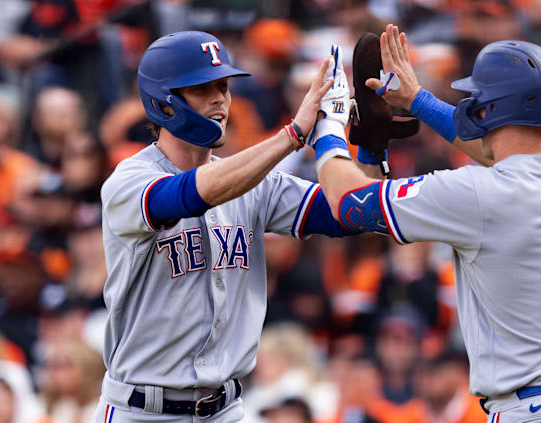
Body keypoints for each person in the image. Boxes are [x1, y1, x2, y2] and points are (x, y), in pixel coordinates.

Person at [311, 25, 541, 421]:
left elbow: (348, 201)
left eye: (477, 100)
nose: (471, 107)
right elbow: (506, 156)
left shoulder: (477, 194)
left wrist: (328, 124)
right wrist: (417, 101)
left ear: (491, 110)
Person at [97, 30, 363, 422]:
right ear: (164, 102)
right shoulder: (128, 181)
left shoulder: (250, 181)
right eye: (202, 88)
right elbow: (188, 195)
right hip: (142, 409)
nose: (220, 98)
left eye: (223, 86)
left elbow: (349, 212)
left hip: (226, 409)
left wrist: (366, 139)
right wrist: (292, 136)